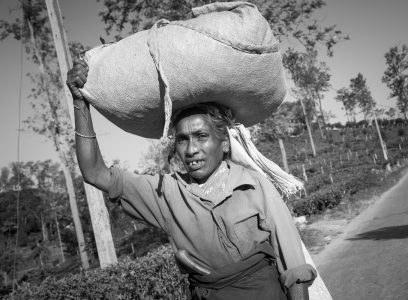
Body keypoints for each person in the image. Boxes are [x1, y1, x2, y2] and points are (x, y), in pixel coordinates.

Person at [67, 57, 317, 300]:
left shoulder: (253, 184)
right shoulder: (167, 193)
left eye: (201, 136)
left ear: (225, 143)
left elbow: (293, 266)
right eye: (182, 139)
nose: (191, 149)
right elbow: (94, 172)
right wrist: (80, 104)